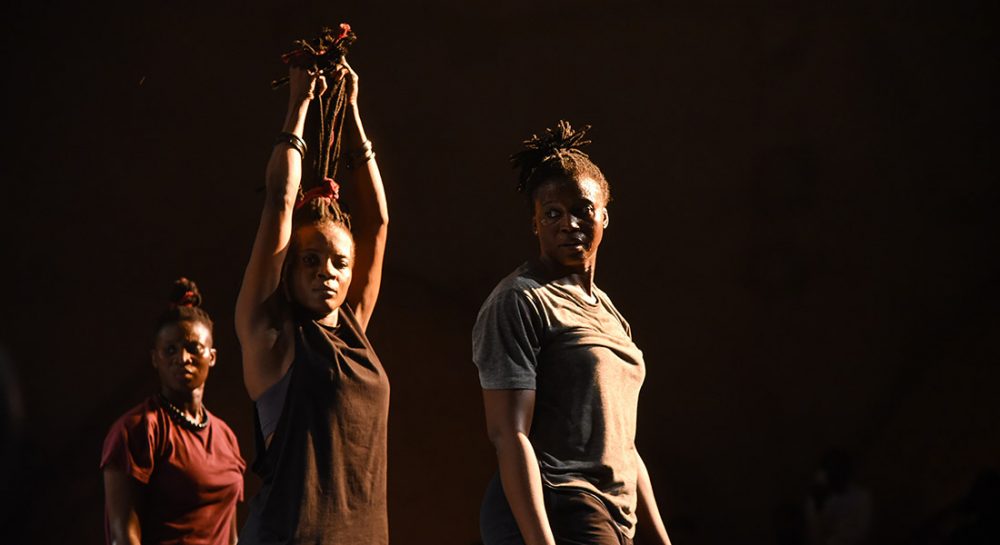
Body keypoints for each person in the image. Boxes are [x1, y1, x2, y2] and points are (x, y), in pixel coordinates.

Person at [473, 121, 673, 545]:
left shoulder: (611, 315)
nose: (568, 224)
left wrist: (658, 536)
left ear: (604, 215)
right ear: (535, 224)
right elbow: (509, 434)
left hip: (612, 514)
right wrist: (541, 540)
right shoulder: (520, 300)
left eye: (582, 209)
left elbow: (624, 444)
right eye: (552, 214)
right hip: (559, 503)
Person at [235, 59, 390, 544]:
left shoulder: (354, 327)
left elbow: (378, 222)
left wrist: (351, 111)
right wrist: (299, 106)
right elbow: (281, 202)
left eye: (339, 263)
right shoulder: (272, 334)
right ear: (290, 266)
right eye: (311, 260)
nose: (327, 270)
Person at [101, 278, 246, 545]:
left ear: (212, 356)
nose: (182, 358)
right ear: (155, 359)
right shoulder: (138, 430)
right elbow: (123, 536)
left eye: (194, 348)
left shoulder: (226, 437)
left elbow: (230, 532)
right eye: (170, 350)